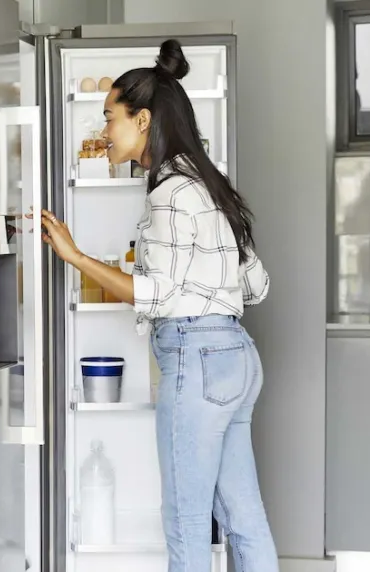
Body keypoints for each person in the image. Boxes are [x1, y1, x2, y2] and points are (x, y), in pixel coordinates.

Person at [34, 39, 280, 572]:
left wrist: (75, 256)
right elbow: (256, 285)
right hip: (238, 356)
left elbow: (155, 293)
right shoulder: (209, 184)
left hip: (197, 359)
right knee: (244, 517)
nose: (105, 131)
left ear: (142, 119)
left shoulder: (169, 193)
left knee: (187, 523)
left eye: (109, 118)